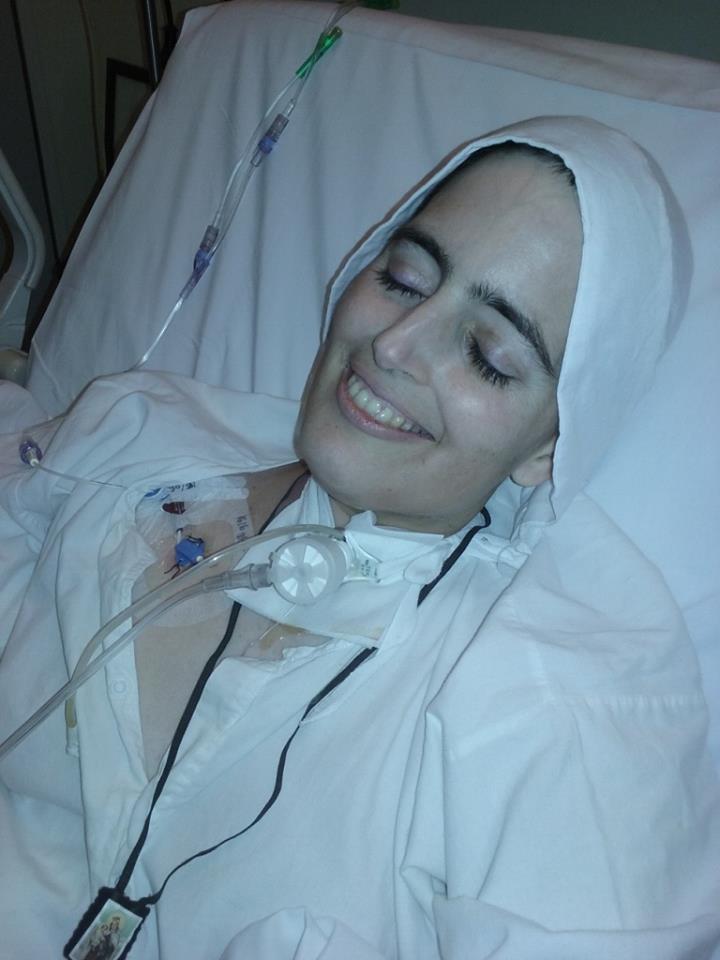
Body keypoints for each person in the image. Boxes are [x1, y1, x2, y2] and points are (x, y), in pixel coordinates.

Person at [0, 117, 719, 959]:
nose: (393, 345)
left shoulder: (545, 703)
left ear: (549, 447)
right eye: (405, 280)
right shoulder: (129, 437)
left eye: (489, 355)